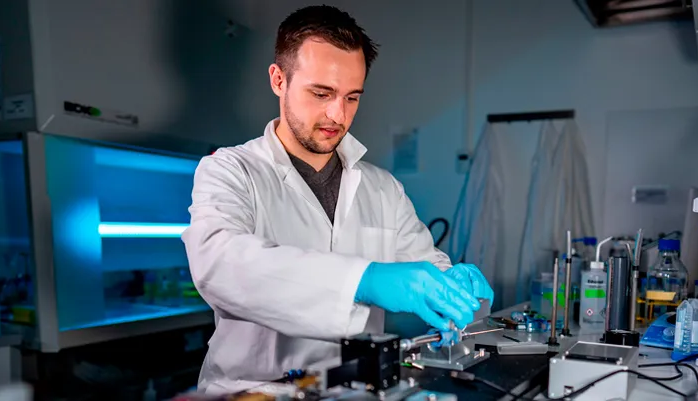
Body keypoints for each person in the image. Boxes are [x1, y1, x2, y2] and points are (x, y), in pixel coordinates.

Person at [181, 5, 494, 394]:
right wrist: (364, 280)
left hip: (357, 389)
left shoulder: (382, 188)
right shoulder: (231, 170)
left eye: (352, 98)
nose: (337, 114)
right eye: (321, 93)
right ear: (278, 80)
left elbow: (425, 270)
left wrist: (452, 283)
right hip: (253, 390)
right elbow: (222, 264)